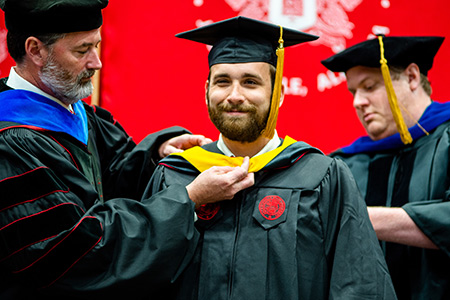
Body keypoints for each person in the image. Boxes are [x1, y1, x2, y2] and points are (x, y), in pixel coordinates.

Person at [0, 0, 254, 298]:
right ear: (35, 50)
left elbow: (110, 179)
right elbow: (78, 253)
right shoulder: (12, 142)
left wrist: (156, 154)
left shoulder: (75, 114)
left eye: (97, 46)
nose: (97, 62)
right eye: (83, 50)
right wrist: (187, 200)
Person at [146, 16, 397, 300]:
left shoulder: (321, 177)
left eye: (251, 82)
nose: (234, 95)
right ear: (206, 92)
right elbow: (143, 276)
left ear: (278, 93)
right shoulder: (175, 176)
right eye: (222, 82)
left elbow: (360, 285)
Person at [321, 35, 450, 299]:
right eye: (353, 92)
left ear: (413, 77)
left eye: (369, 86)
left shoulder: (446, 140)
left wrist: (354, 217)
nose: (358, 102)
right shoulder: (347, 163)